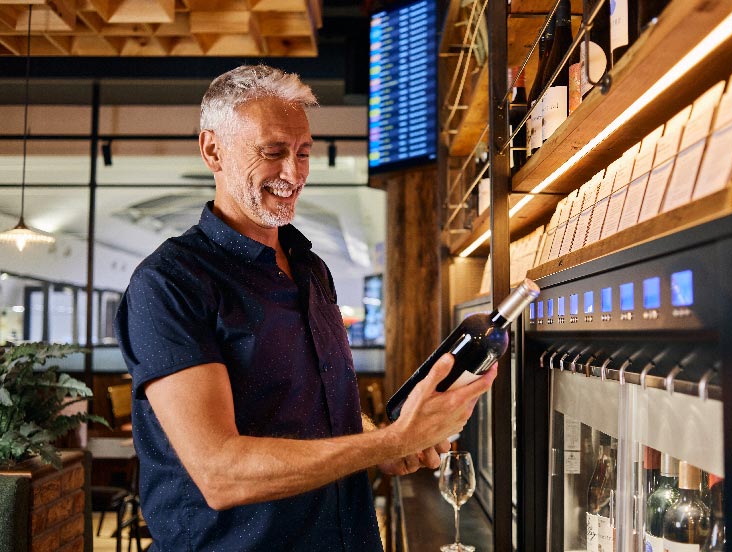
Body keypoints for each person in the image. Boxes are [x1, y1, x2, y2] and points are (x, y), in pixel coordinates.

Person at [113, 64, 497, 551]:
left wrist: (381, 437)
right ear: (213, 150)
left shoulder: (311, 269)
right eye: (272, 152)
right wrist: (390, 441)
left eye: (303, 152)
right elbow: (220, 473)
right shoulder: (169, 283)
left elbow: (312, 406)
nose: (292, 173)